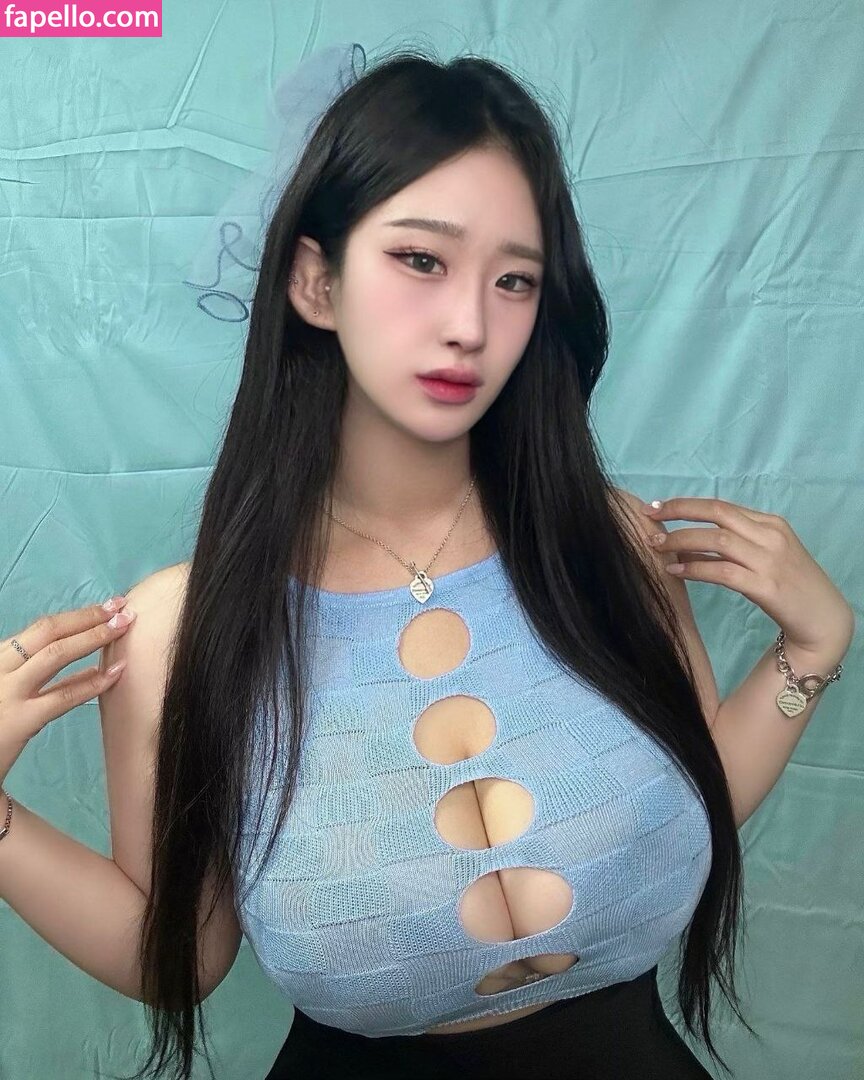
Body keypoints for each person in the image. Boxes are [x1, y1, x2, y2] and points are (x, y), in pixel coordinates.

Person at [0, 46, 766, 1080]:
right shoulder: (186, 631)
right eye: (420, 260)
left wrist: (807, 657)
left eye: (515, 281)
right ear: (316, 282)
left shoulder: (608, 545)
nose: (470, 326)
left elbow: (690, 801)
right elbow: (176, 958)